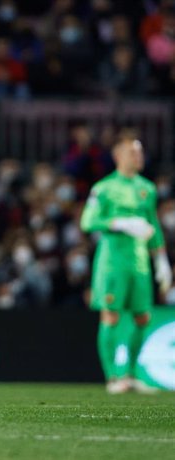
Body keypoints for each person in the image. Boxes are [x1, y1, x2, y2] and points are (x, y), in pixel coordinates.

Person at [80, 136, 172, 394]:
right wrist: (120, 223)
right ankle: (112, 378)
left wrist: (161, 260)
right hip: (113, 262)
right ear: (118, 156)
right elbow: (88, 221)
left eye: (140, 152)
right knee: (111, 314)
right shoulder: (104, 188)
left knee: (143, 317)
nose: (139, 157)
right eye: (133, 152)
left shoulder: (147, 188)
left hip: (139, 262)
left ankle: (130, 375)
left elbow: (152, 226)